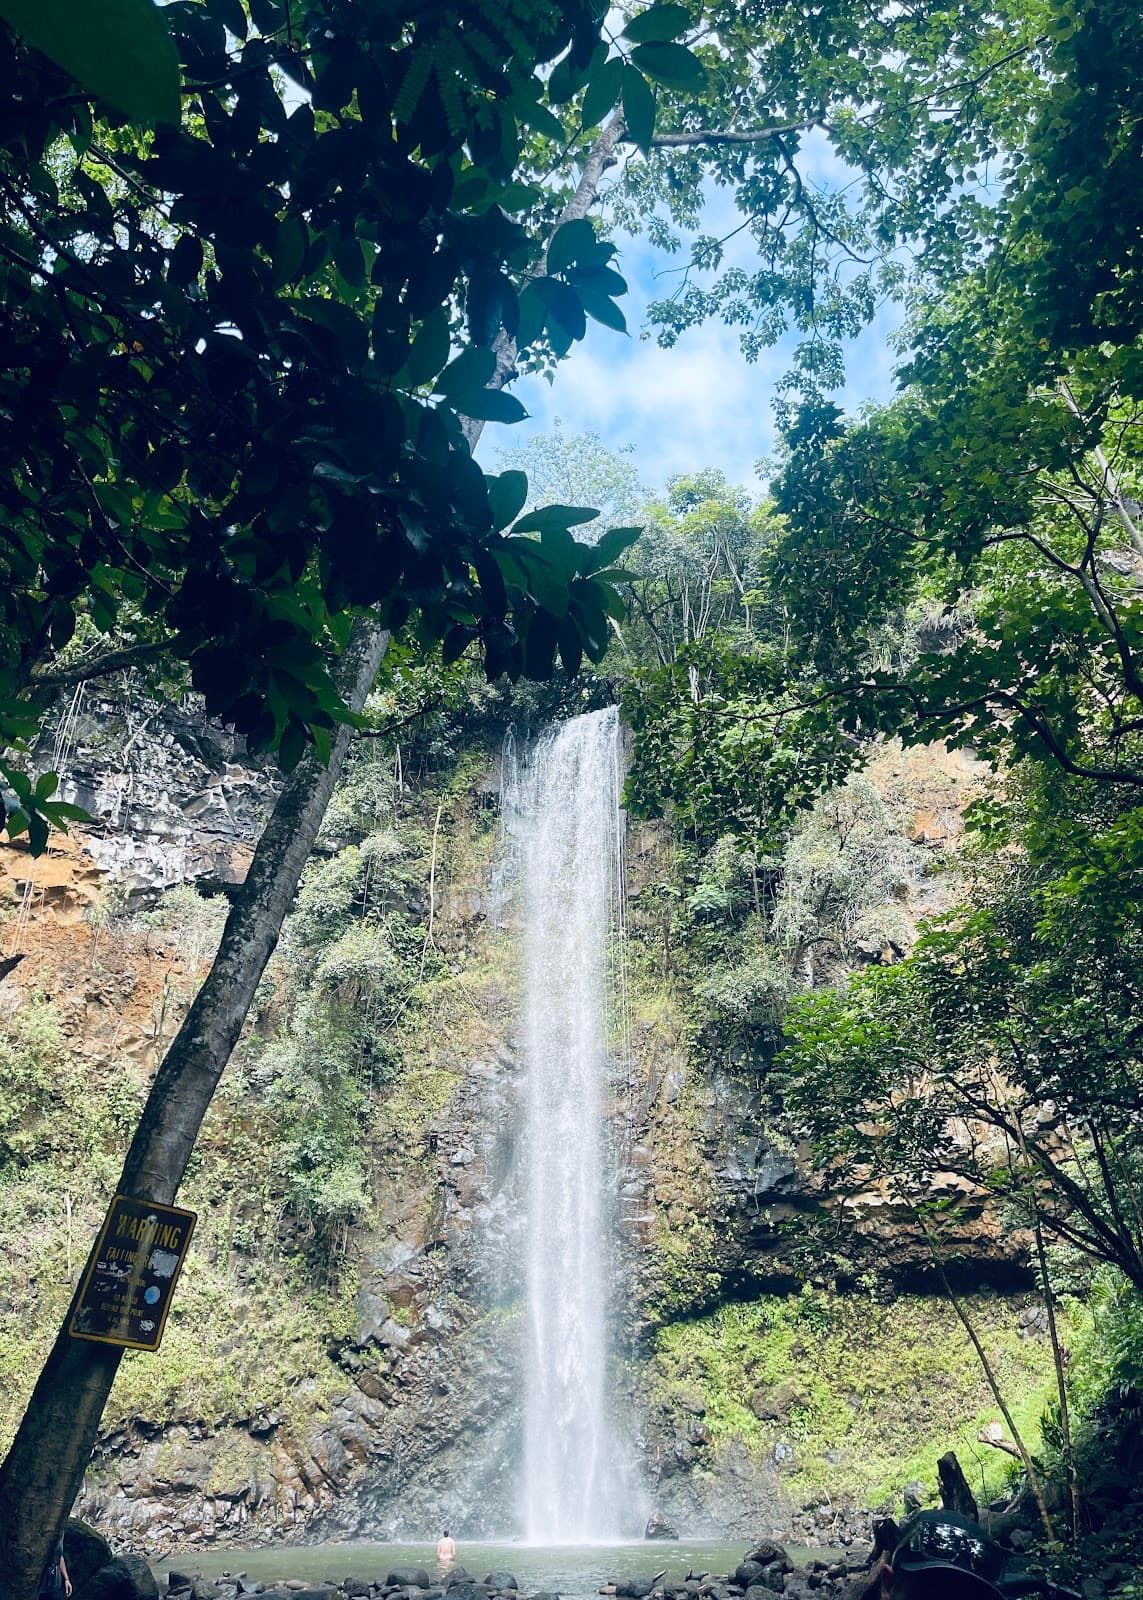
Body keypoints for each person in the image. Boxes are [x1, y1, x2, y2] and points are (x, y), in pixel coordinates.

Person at [38, 1536, 72, 1600]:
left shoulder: (60, 1533)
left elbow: (60, 1556)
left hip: (55, 1584)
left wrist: (66, 1579)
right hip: (40, 1584)